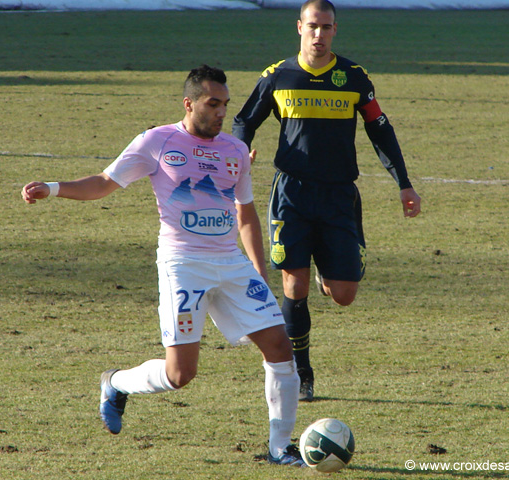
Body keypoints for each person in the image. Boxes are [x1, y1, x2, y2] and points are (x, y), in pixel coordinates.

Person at [21, 65, 306, 467]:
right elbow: (104, 182)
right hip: (183, 265)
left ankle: (281, 446)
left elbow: (245, 214)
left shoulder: (236, 150)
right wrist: (53, 189)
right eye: (213, 103)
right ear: (189, 103)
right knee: (180, 375)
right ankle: (116, 382)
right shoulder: (157, 141)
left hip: (230, 262)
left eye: (225, 104)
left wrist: (257, 269)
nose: (222, 111)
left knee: (279, 346)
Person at [232, 0, 422, 402]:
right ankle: (301, 373)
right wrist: (240, 151)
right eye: (312, 26)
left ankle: (329, 274)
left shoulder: (354, 77)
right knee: (293, 285)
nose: (319, 34)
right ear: (299, 27)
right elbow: (244, 121)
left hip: (338, 195)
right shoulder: (277, 76)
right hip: (292, 194)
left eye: (327, 27)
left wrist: (403, 183)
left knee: (345, 295)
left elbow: (380, 130)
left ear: (336, 30)